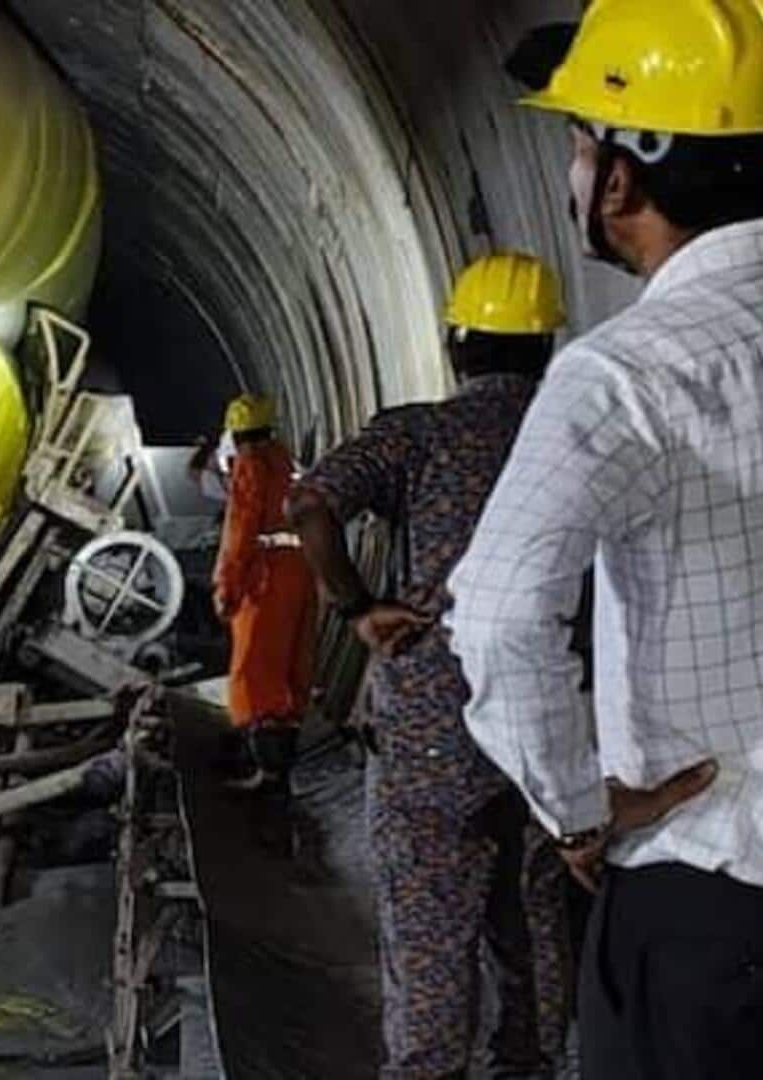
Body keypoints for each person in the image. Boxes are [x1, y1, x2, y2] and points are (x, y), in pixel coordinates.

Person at [447, 3, 763, 1077]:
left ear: (625, 180)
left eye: (581, 146)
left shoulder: (628, 376)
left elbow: (495, 615)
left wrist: (576, 808)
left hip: (710, 915)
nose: (577, 175)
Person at [290, 252, 574, 1080]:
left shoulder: (417, 434)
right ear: (547, 348)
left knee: (428, 927)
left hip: (429, 728)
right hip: (550, 722)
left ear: (455, 343)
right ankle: (530, 1063)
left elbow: (310, 506)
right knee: (536, 916)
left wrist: (358, 609)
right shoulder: (578, 432)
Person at [213, 393, 316, 791]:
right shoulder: (287, 462)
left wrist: (227, 586)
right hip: (301, 568)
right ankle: (283, 762)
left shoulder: (251, 465)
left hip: (266, 574)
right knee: (292, 665)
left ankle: (267, 770)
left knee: (255, 669)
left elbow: (239, 530)